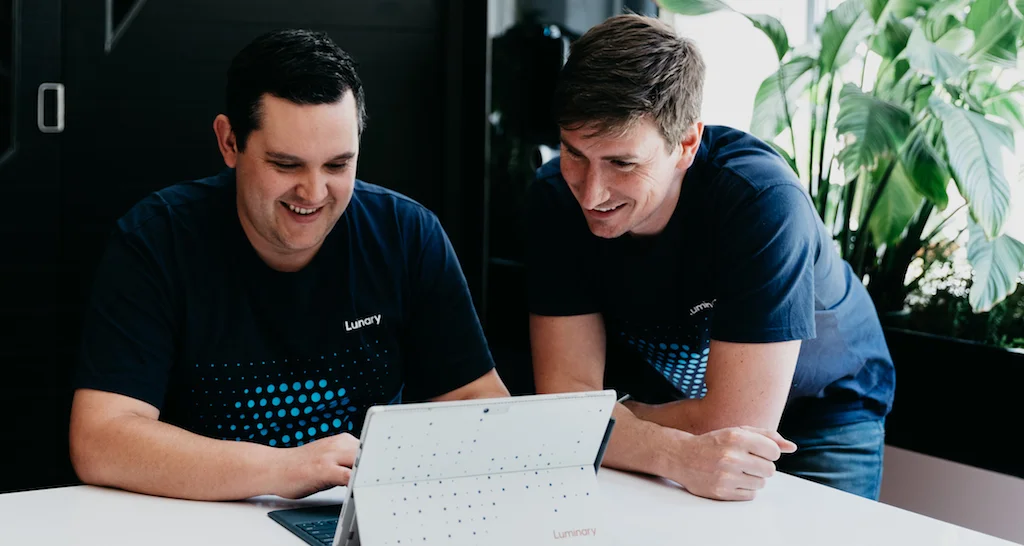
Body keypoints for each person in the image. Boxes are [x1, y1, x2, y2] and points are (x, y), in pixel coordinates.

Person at [69, 29, 509, 501]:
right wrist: (287, 468)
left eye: (338, 165)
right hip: (200, 521)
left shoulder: (408, 234)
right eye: (286, 165)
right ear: (229, 142)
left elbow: (479, 404)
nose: (314, 193)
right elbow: (101, 439)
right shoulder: (157, 239)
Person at [528, 14, 894, 501]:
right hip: (670, 406)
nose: (592, 193)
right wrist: (647, 442)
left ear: (686, 144)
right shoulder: (555, 199)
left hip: (822, 410)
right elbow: (563, 405)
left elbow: (735, 420)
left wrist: (599, 421)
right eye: (575, 154)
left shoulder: (760, 200)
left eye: (622, 163)